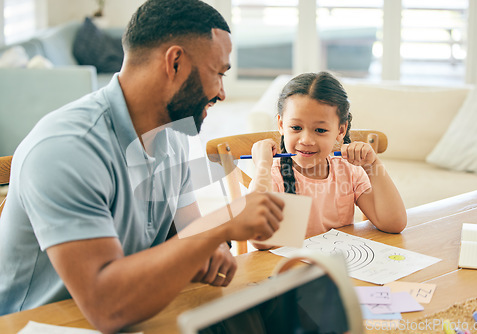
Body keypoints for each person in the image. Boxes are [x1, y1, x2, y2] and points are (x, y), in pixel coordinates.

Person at [0, 0, 285, 333]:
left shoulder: (173, 134)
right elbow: (106, 306)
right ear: (175, 62)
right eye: (218, 73)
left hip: (137, 315)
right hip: (44, 324)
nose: (222, 92)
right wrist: (222, 226)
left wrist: (210, 245)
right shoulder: (65, 149)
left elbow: (190, 236)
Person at [250, 71, 406, 248]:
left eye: (320, 130)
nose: (306, 140)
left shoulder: (348, 170)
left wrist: (373, 165)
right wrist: (262, 166)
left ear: (340, 131)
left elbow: (394, 223)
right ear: (281, 125)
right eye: (296, 127)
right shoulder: (272, 175)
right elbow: (258, 239)